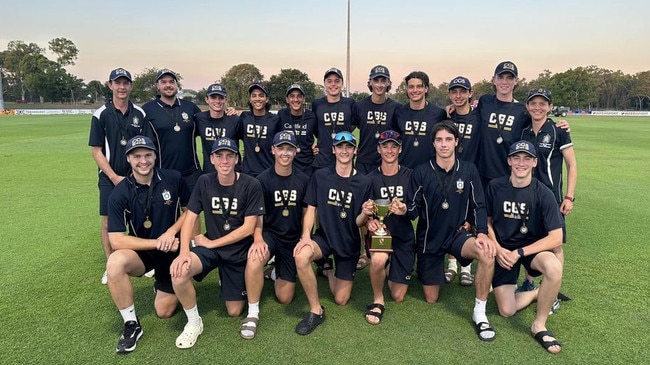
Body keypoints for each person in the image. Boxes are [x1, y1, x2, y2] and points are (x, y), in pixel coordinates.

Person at [393, 121, 498, 342]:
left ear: (456, 142)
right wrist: (403, 209)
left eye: (448, 139)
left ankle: (480, 313)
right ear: (433, 143)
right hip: (429, 239)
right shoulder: (421, 172)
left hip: (457, 236)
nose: (444, 144)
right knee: (431, 298)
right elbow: (413, 209)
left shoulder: (469, 169)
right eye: (439, 140)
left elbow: (479, 205)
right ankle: (438, 268)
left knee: (486, 252)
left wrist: (481, 233)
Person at [170, 137, 265, 349]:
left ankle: (236, 277)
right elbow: (190, 217)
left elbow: (249, 228)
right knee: (179, 272)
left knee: (234, 311)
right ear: (211, 159)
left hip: (237, 250)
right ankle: (194, 322)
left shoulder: (251, 184)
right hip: (211, 247)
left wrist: (212, 244)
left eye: (229, 156)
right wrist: (184, 251)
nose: (225, 161)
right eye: (219, 156)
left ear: (236, 159)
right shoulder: (204, 181)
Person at [106, 135, 189, 353]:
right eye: (137, 156)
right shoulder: (120, 192)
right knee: (115, 262)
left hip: (172, 250)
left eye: (148, 155)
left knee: (164, 311)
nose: (143, 161)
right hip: (144, 250)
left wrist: (172, 232)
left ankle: (163, 284)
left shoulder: (173, 178)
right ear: (129, 159)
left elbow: (190, 211)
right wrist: (157, 242)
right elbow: (115, 239)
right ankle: (131, 324)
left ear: (155, 156)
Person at [485, 140, 565, 354]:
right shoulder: (495, 186)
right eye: (517, 158)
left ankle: (539, 325)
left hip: (531, 250)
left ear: (534, 162)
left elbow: (556, 237)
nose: (521, 163)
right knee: (506, 310)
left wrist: (521, 252)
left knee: (554, 266)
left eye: (527, 158)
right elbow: (487, 221)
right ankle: (539, 292)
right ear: (509, 161)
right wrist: (498, 248)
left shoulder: (544, 192)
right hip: (504, 250)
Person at [293, 131, 371, 335]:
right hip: (324, 238)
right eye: (340, 147)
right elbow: (311, 208)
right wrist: (306, 237)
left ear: (354, 151)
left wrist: (364, 213)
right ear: (333, 150)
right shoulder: (320, 176)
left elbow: (359, 222)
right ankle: (316, 310)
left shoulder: (364, 182)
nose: (344, 151)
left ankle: (327, 270)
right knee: (301, 256)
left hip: (348, 243)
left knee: (341, 299)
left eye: (349, 147)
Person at [242, 131, 310, 339]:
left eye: (289, 149)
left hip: (291, 239)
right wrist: (258, 238)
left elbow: (307, 211)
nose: (285, 153)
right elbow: (257, 214)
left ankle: (273, 272)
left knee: (285, 297)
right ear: (273, 150)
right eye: (281, 148)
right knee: (254, 258)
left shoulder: (304, 179)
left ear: (295, 151)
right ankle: (253, 314)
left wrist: (305, 236)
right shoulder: (261, 180)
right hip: (270, 234)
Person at [89, 67, 147, 285]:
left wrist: (139, 173)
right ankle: (110, 264)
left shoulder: (139, 113)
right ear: (110, 85)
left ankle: (139, 261)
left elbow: (144, 147)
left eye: (125, 83)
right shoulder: (101, 114)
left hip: (136, 176)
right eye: (117, 83)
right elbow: (96, 151)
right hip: (109, 177)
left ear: (131, 86)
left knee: (138, 217)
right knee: (108, 222)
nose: (122, 87)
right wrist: (114, 177)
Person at [520, 88, 577, 306]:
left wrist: (569, 197)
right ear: (527, 106)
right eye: (533, 103)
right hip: (527, 195)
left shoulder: (558, 131)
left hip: (552, 197)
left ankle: (552, 291)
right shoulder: (524, 131)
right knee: (531, 239)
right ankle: (529, 283)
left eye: (542, 103)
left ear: (550, 107)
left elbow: (572, 165)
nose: (537, 107)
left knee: (555, 246)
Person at [361, 130, 414, 325]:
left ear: (400, 149)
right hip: (380, 235)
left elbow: (417, 210)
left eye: (393, 146)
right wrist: (369, 221)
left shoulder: (410, 175)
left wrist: (405, 209)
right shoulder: (369, 178)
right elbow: (363, 211)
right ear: (379, 149)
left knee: (398, 295)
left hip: (403, 236)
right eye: (385, 146)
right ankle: (378, 299)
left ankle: (392, 265)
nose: (389, 150)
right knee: (378, 259)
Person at [445, 76, 481, 286]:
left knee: (469, 218)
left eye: (462, 91)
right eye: (454, 92)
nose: (458, 96)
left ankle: (466, 266)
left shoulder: (479, 116)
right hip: (449, 173)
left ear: (470, 93)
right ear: (450, 94)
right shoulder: (447, 117)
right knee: (450, 216)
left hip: (471, 174)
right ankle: (451, 265)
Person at [142, 69, 202, 193]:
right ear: (157, 86)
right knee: (167, 211)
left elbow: (210, 123)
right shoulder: (148, 109)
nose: (168, 85)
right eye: (163, 82)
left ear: (176, 85)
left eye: (171, 82)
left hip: (191, 172)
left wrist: (228, 111)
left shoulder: (191, 107)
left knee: (192, 211)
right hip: (162, 173)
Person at [352, 65, 402, 174]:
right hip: (363, 162)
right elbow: (346, 129)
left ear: (389, 83)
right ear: (370, 82)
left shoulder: (396, 108)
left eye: (383, 81)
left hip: (386, 162)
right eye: (376, 80)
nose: (379, 85)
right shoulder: (359, 106)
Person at [394, 71, 447, 169]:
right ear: (406, 89)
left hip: (430, 170)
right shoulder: (399, 113)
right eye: (411, 87)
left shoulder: (439, 113)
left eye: (419, 86)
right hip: (404, 169)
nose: (415, 90)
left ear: (426, 88)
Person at [311, 67, 356, 171]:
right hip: (322, 159)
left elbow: (355, 124)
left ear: (342, 84)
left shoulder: (350, 103)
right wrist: (312, 144)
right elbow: (313, 127)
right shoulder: (317, 104)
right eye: (329, 81)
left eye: (337, 81)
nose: (333, 84)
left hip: (344, 159)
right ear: (325, 84)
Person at [195, 83, 242, 174]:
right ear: (206, 99)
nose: (217, 101)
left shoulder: (235, 120)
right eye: (213, 97)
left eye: (221, 98)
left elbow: (248, 143)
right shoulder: (199, 119)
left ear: (226, 100)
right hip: (209, 173)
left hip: (232, 172)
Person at [239, 82, 281, 177]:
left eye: (261, 95)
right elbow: (238, 136)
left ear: (266, 99)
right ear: (250, 99)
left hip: (268, 172)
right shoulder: (244, 117)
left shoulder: (275, 119)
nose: (257, 98)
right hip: (247, 172)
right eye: (254, 96)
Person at [277, 84, 318, 175]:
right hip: (287, 165)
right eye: (292, 96)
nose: (296, 99)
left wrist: (317, 146)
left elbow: (322, 134)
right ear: (287, 99)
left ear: (303, 99)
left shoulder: (311, 116)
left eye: (299, 96)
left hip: (307, 166)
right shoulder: (282, 115)